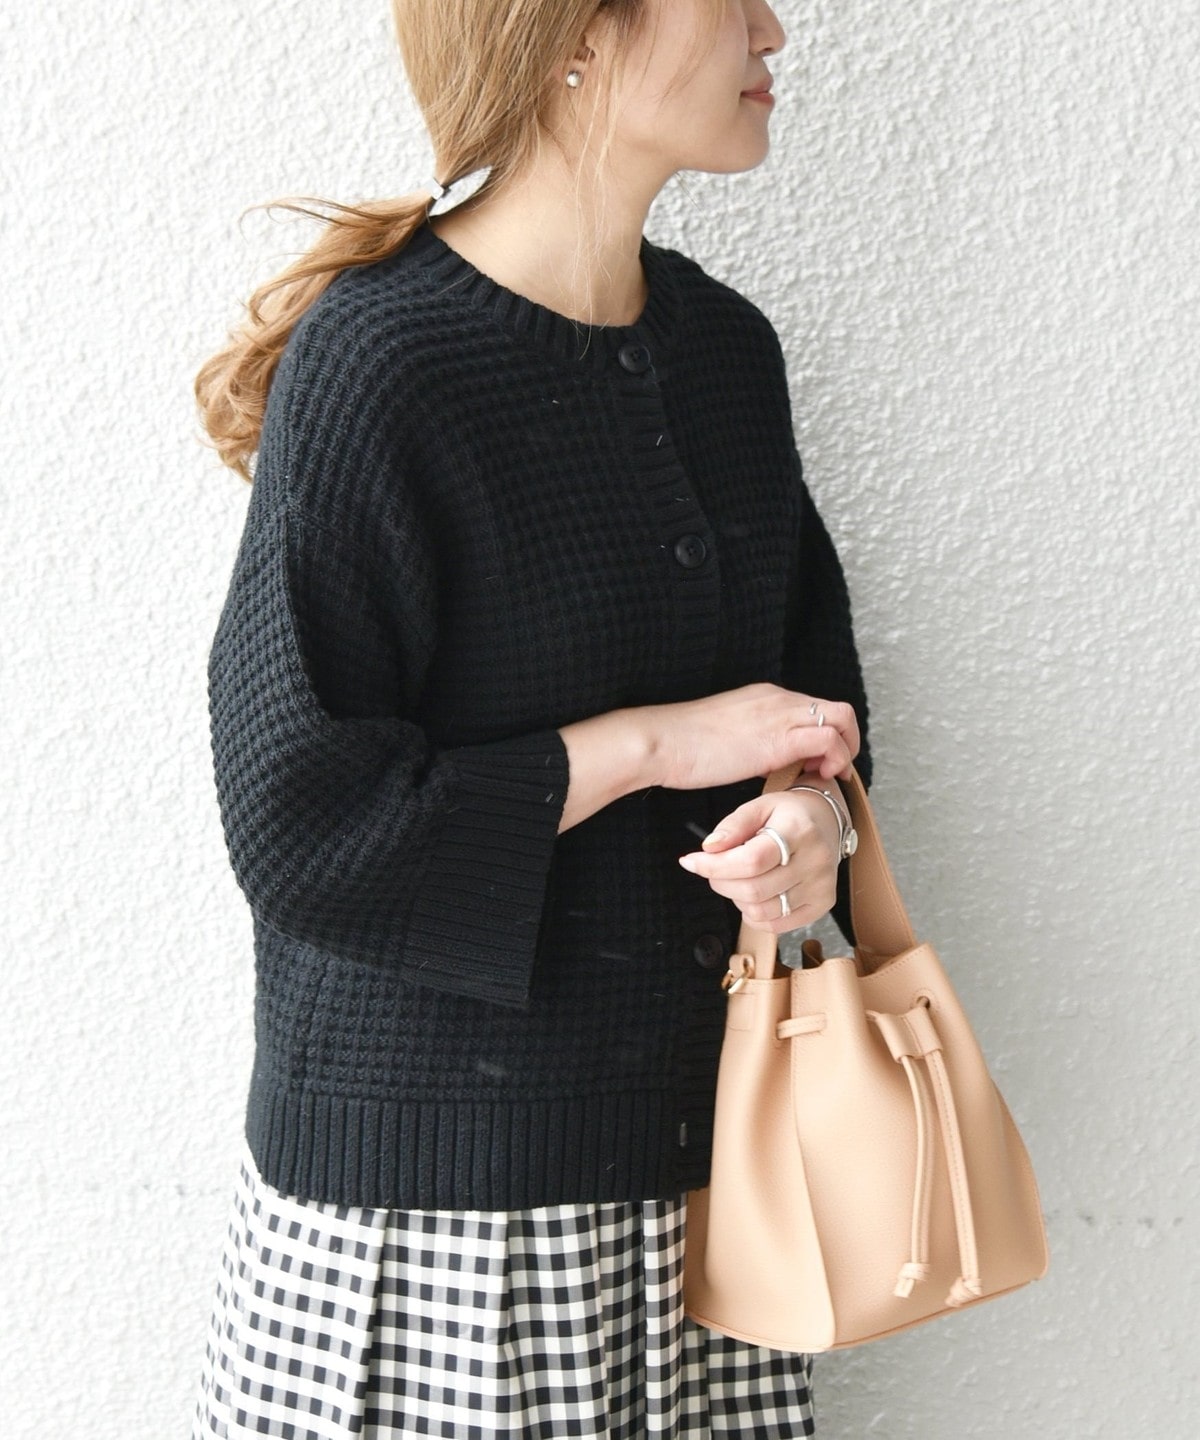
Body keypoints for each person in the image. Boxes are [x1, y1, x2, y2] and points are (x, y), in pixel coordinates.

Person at [189, 0, 873, 1434]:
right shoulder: (384, 361)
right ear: (576, 33)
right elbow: (301, 818)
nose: (773, 29)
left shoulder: (727, 355)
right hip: (443, 1234)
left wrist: (810, 826)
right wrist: (653, 747)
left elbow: (813, 712)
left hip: (709, 1199)